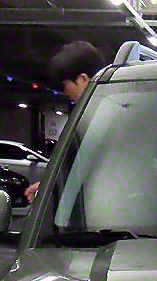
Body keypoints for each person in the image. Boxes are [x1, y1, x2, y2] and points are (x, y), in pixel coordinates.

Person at [25, 41, 107, 203]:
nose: (65, 92)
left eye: (65, 84)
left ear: (82, 79)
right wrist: (51, 187)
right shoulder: (103, 113)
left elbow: (94, 175)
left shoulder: (100, 120)